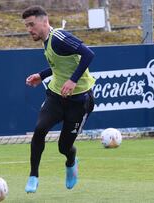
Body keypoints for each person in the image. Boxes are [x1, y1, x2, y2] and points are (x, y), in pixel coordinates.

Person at [22, 6, 95, 193]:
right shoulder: (46, 41)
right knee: (40, 129)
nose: (29, 29)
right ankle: (33, 175)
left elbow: (88, 54)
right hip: (56, 96)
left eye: (32, 25)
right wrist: (41, 75)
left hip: (79, 101)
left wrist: (73, 80)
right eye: (27, 26)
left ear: (44, 21)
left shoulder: (60, 37)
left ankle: (71, 162)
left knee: (64, 147)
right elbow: (61, 65)